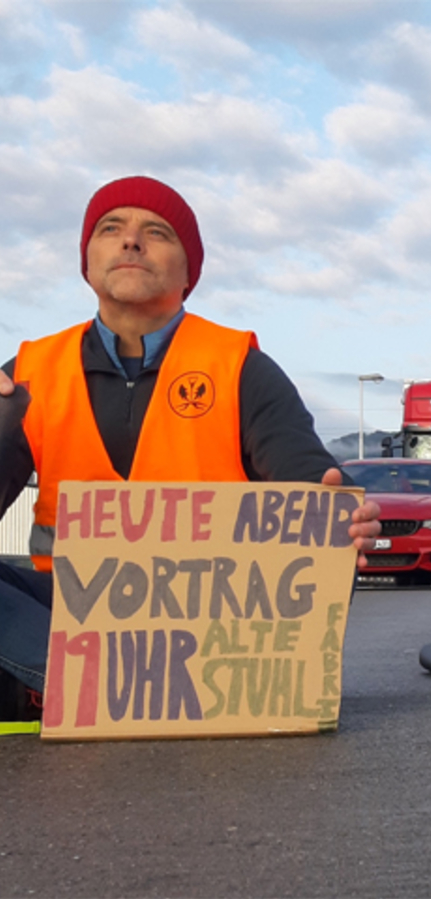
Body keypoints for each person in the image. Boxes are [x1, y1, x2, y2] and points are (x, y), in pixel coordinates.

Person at [0, 176, 382, 722]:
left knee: (328, 544)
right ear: (87, 263)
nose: (131, 241)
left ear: (189, 274)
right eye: (112, 229)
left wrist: (344, 513)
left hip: (211, 628)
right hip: (70, 620)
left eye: (156, 232)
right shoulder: (30, 376)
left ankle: (99, 695)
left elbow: (309, 479)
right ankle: (100, 688)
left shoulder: (239, 367)